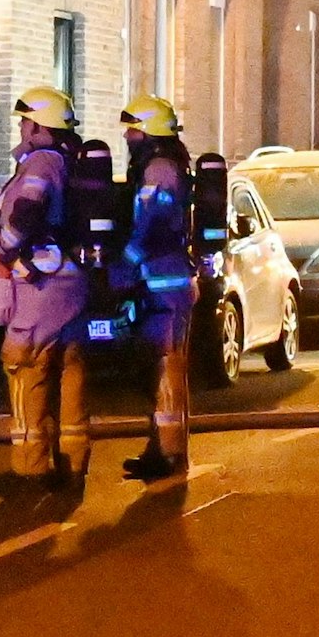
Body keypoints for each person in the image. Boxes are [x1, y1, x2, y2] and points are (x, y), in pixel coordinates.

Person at [0, 86, 89, 494]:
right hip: (71, 280)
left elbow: (24, 215)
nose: (21, 127)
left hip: (41, 283)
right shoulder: (68, 161)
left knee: (25, 367)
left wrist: (1, 240)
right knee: (69, 369)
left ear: (39, 124)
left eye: (25, 120)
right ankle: (73, 462)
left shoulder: (40, 163)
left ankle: (30, 469)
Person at [114, 94, 196, 482]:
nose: (128, 136)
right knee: (163, 368)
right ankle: (162, 447)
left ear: (149, 131)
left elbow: (150, 220)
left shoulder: (159, 169)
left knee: (165, 368)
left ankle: (166, 453)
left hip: (163, 282)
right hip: (167, 281)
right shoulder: (164, 165)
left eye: (134, 129)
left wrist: (126, 261)